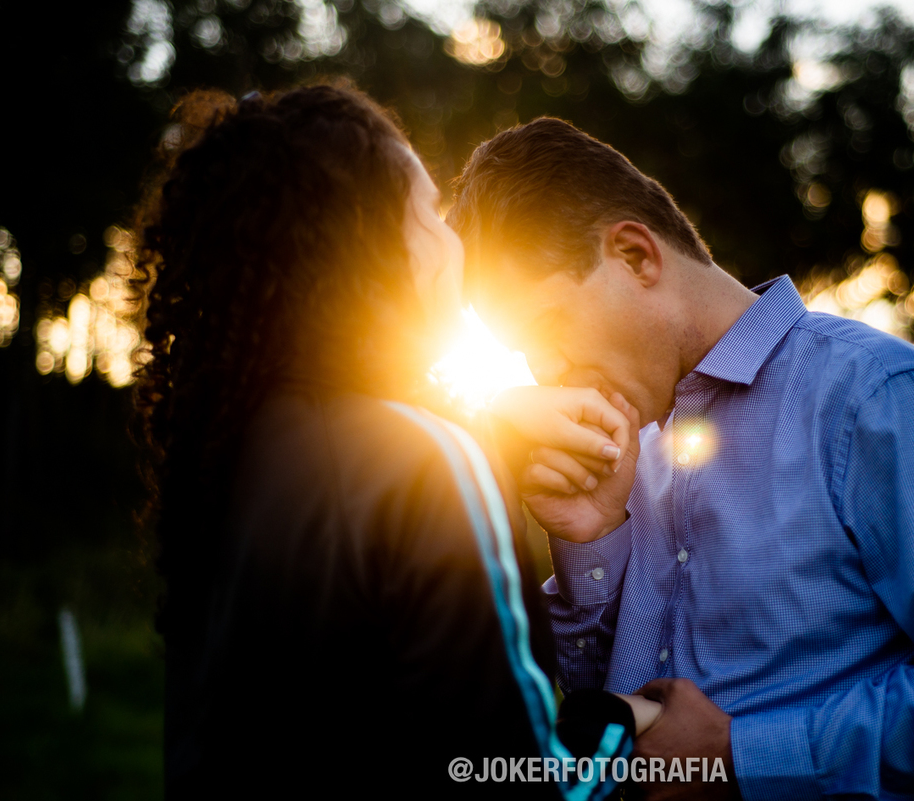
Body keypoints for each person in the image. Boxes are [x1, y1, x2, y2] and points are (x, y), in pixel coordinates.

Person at [446, 117, 914, 800]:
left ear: (637, 256)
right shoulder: (622, 449)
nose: (543, 369)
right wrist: (590, 541)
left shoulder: (879, 397)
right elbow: (608, 719)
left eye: (547, 327)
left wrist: (745, 755)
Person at [131, 83, 644, 799]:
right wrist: (628, 726)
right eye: (431, 215)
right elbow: (521, 775)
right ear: (369, 247)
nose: (454, 240)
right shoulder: (424, 466)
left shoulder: (235, 455)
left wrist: (492, 426)